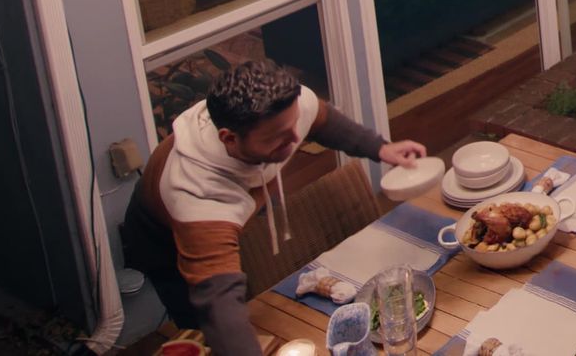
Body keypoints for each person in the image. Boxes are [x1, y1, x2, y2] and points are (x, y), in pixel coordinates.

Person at [120, 60, 426, 356]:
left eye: (294, 125)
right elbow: (219, 305)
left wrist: (379, 147)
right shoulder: (198, 198)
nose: (295, 140)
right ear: (229, 138)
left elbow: (321, 119)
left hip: (241, 192)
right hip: (162, 240)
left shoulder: (285, 112)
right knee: (204, 329)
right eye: (279, 137)